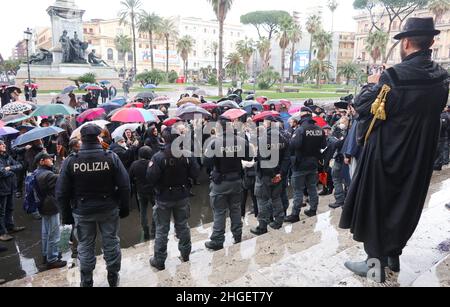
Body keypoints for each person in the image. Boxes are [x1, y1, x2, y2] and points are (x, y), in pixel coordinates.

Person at [339, 18, 449, 283]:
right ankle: (393, 258)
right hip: (420, 154)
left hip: (388, 152)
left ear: (406, 42)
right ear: (432, 42)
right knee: (403, 204)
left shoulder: (395, 76)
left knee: (375, 205)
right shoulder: (442, 76)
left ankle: (374, 266)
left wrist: (372, 82)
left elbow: (363, 108)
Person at [56, 124, 131, 287]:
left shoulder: (71, 161)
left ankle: (87, 279)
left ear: (82, 139)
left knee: (85, 245)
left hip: (82, 211)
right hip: (108, 208)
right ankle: (113, 276)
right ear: (98, 138)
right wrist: (124, 207)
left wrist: (67, 215)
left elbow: (61, 192)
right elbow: (125, 185)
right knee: (111, 242)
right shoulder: (110, 157)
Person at [147, 128, 200, 271]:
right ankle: (185, 254)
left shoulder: (158, 157)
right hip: (182, 195)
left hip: (163, 197)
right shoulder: (187, 155)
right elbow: (195, 173)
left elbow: (150, 178)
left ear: (164, 139)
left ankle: (159, 260)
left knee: (162, 230)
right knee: (183, 226)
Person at [204, 118, 252, 250]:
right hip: (236, 180)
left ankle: (217, 240)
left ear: (220, 128)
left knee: (219, 212)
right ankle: (237, 235)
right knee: (235, 209)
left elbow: (206, 162)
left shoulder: (215, 142)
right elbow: (249, 157)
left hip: (221, 182)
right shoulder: (241, 141)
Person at [285, 107, 326, 222]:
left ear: (302, 115)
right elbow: (323, 145)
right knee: (312, 187)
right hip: (313, 163)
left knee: (298, 190)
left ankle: (295, 214)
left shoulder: (300, 129)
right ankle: (313, 209)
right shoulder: (319, 129)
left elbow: (294, 145)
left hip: (300, 163)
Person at [251, 116, 290, 235]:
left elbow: (262, 160)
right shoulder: (283, 138)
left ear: (267, 124)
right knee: (276, 197)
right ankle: (279, 221)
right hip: (278, 174)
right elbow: (286, 159)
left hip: (266, 175)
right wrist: (280, 174)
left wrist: (274, 174)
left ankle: (262, 226)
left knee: (262, 200)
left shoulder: (263, 139)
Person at [34, 152, 67, 270]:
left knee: (46, 232)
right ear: (41, 161)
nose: (51, 159)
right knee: (54, 234)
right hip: (51, 207)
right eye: (48, 158)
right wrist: (64, 166)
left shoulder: (37, 172)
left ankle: (46, 255)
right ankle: (52, 259)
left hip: (43, 206)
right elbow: (62, 179)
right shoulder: (47, 175)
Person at [129, 146, 156, 241]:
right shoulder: (152, 163)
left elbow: (130, 177)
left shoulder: (134, 164)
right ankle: (154, 229)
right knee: (155, 209)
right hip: (153, 191)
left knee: (142, 211)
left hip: (140, 191)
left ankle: (145, 230)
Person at [0, 140, 25, 242]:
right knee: (1, 211)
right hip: (1, 189)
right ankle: (2, 233)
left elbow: (20, 166)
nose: (4, 145)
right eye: (1, 144)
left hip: (10, 187)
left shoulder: (7, 156)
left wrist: (9, 168)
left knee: (10, 208)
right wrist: (11, 171)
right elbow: (2, 173)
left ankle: (10, 226)